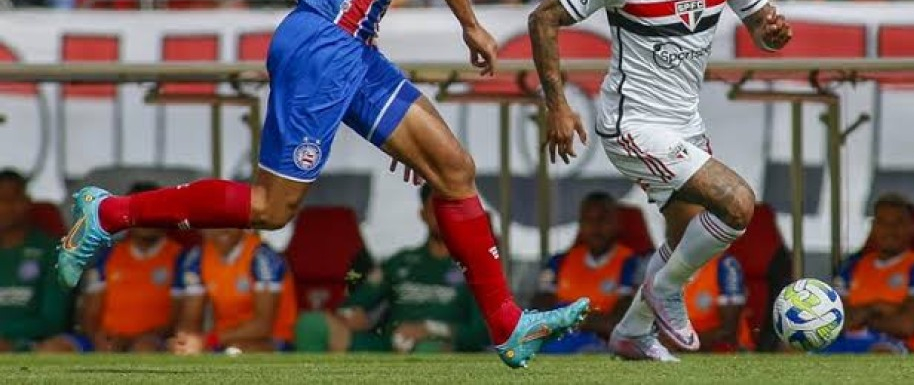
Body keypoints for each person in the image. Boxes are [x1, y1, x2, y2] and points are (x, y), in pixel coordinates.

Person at [57, 0, 589, 370]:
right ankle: (111, 214)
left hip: (349, 46)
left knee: (452, 171)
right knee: (270, 207)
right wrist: (470, 23)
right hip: (326, 44)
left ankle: (506, 324)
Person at [527, 0, 792, 361]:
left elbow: (760, 23)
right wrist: (557, 105)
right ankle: (664, 293)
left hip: (685, 124)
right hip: (632, 124)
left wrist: (770, 34)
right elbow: (543, 17)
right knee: (736, 204)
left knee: (687, 238)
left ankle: (630, 334)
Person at [295, 185, 489, 354]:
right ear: (422, 215)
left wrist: (429, 329)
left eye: (449, 209)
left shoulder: (475, 267)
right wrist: (353, 315)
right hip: (389, 346)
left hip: (440, 348)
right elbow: (354, 303)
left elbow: (483, 333)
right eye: (435, 209)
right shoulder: (400, 262)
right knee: (311, 325)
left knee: (427, 349)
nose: (443, 216)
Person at [37, 183, 182, 353]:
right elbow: (90, 312)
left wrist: (137, 338)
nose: (147, 218)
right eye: (140, 210)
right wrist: (99, 338)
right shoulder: (107, 255)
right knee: (52, 349)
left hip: (153, 340)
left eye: (154, 210)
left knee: (145, 349)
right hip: (106, 339)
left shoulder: (181, 256)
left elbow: (179, 315)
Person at [826, 193, 914, 353]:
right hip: (845, 342)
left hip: (892, 347)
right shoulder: (852, 266)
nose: (890, 230)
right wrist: (878, 308)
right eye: (883, 222)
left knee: (880, 355)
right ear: (873, 226)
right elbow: (833, 320)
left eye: (898, 222)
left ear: (911, 227)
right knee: (795, 346)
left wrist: (862, 315)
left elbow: (907, 325)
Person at [531, 192, 640, 354]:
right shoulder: (559, 261)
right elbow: (539, 308)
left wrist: (567, 316)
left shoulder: (631, 263)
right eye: (588, 220)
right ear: (580, 224)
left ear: (616, 223)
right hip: (559, 339)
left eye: (603, 219)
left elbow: (619, 323)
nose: (596, 227)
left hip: (603, 344)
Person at [168, 228, 297, 354]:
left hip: (272, 341)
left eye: (229, 222)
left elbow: (262, 326)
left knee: (235, 352)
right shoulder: (196, 258)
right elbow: (190, 317)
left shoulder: (263, 257)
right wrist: (187, 341)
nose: (222, 229)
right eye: (214, 224)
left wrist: (208, 340)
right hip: (221, 340)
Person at [0, 170, 71, 351]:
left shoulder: (52, 251)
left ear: (27, 201)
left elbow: (53, 320)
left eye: (11, 199)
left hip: (30, 346)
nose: (4, 207)